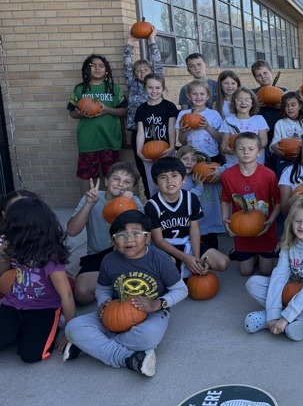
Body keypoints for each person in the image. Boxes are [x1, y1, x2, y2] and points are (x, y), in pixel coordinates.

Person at [63, 210, 189, 376]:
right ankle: (129, 358)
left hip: (151, 312)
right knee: (73, 327)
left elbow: (181, 289)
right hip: (116, 310)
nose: (129, 239)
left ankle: (92, 346)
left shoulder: (160, 259)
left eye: (136, 233)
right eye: (122, 235)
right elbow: (103, 288)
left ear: (148, 237)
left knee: (148, 338)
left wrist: (159, 303)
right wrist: (104, 303)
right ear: (113, 239)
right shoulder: (109, 260)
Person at [244, 199, 303, 341]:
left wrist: (285, 318)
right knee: (253, 283)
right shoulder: (288, 243)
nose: (302, 226)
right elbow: (279, 276)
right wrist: (273, 314)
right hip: (292, 290)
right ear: (291, 222)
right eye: (298, 221)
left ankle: (289, 319)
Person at [0, 198, 75, 363]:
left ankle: (56, 323)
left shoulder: (50, 256)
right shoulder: (15, 245)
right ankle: (18, 329)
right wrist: (3, 253)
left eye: (12, 227)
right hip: (13, 304)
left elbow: (67, 295)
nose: (7, 231)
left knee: (30, 355)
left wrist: (71, 332)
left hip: (43, 309)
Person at [67, 162, 144, 304]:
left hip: (126, 254)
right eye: (116, 179)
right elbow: (72, 231)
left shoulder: (134, 202)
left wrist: (126, 206)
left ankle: (114, 285)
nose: (120, 184)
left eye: (127, 181)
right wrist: (89, 204)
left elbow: (141, 238)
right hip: (98, 256)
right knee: (82, 294)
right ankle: (115, 284)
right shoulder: (91, 198)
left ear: (132, 187)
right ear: (106, 180)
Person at [145, 157, 229, 279]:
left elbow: (194, 230)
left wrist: (196, 257)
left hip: (187, 242)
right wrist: (185, 258)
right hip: (166, 248)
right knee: (168, 271)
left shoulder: (191, 199)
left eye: (174, 175)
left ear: (183, 179)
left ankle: (191, 269)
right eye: (163, 177)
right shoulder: (152, 206)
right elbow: (158, 241)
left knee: (223, 262)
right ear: (156, 183)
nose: (170, 181)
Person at [221, 132, 281, 277]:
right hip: (242, 230)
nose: (246, 151)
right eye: (241, 149)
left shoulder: (269, 175)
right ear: (234, 152)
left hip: (265, 227)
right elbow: (225, 198)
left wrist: (270, 221)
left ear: (259, 152)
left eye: (251, 148)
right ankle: (248, 253)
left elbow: (278, 201)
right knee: (246, 272)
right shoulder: (227, 175)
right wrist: (225, 219)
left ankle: (264, 252)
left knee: (266, 271)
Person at [67, 54, 127, 193]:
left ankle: (113, 206)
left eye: (101, 66)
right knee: (86, 176)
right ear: (87, 70)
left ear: (106, 70)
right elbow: (72, 113)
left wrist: (107, 110)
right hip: (88, 141)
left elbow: (124, 111)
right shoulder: (79, 89)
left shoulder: (114, 89)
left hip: (110, 140)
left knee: (113, 176)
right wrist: (80, 113)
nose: (97, 68)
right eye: (93, 65)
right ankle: (85, 208)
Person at [123, 28, 162, 198]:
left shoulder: (155, 81)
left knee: (161, 169)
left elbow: (157, 61)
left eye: (144, 69)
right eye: (137, 70)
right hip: (137, 132)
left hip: (157, 131)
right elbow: (126, 63)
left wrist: (152, 40)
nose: (141, 72)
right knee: (143, 168)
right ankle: (150, 198)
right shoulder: (132, 85)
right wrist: (130, 43)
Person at [177, 147, 226, 258]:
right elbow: (187, 201)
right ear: (178, 160)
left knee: (211, 257)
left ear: (199, 162)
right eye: (185, 159)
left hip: (210, 224)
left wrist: (220, 172)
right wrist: (199, 187)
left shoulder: (208, 176)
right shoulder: (180, 181)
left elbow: (227, 179)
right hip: (192, 228)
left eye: (193, 160)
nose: (189, 162)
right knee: (196, 256)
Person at [135, 73, 178, 197]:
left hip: (166, 150)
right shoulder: (141, 109)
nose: (154, 91)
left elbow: (171, 128)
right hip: (148, 153)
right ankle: (156, 209)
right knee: (153, 182)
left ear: (163, 89)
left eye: (157, 88)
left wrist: (171, 147)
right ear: (145, 89)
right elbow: (141, 132)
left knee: (169, 180)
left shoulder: (169, 107)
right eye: (150, 87)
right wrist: (139, 151)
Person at [220, 87, 269, 168]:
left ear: (252, 103)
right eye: (239, 99)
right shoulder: (228, 121)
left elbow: (263, 141)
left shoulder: (259, 119)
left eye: (247, 100)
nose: (243, 102)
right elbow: (224, 146)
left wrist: (250, 149)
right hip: (234, 164)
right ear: (234, 103)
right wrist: (229, 150)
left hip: (256, 164)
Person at [270, 91, 303, 177]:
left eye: (293, 105)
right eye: (286, 105)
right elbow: (275, 140)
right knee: (284, 181)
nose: (290, 108)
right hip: (283, 159)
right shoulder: (280, 123)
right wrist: (273, 146)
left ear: (300, 106)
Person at [177, 80, 223, 163]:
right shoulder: (183, 115)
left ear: (208, 96)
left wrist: (207, 127)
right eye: (194, 94)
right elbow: (181, 141)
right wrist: (183, 131)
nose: (198, 97)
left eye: (202, 94)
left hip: (211, 155)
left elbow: (220, 139)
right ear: (188, 96)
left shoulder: (214, 114)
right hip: (191, 157)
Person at [0, 189, 43, 274]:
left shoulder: (46, 238)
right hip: (15, 282)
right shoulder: (2, 241)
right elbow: (3, 278)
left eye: (26, 210)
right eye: (14, 211)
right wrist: (4, 257)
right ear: (4, 215)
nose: (21, 216)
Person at [251, 60, 286, 151]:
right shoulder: (253, 94)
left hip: (280, 135)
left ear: (271, 73)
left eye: (265, 73)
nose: (263, 76)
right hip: (260, 137)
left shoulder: (283, 92)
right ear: (255, 78)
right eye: (259, 75)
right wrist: (255, 105)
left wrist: (284, 106)